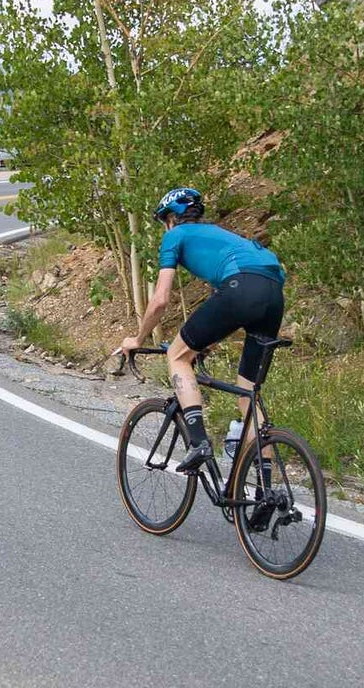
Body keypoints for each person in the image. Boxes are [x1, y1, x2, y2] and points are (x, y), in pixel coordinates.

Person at [117, 187, 286, 473]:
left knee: (177, 357)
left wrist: (138, 338)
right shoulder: (222, 237)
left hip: (240, 287)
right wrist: (206, 343)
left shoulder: (175, 236)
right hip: (273, 295)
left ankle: (198, 442)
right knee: (248, 394)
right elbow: (230, 308)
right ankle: (265, 497)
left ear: (171, 218)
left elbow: (160, 301)